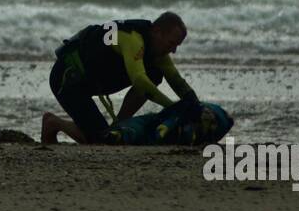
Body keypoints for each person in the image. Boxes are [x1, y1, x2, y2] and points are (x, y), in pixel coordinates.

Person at [41, 11, 201, 144]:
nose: (173, 51)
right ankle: (53, 123)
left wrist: (197, 107)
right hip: (68, 79)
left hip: (91, 81)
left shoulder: (156, 49)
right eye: (171, 43)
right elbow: (139, 81)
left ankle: (120, 124)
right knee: (101, 141)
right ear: (158, 32)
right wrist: (173, 108)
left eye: (177, 46)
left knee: (155, 73)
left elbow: (177, 81)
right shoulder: (133, 39)